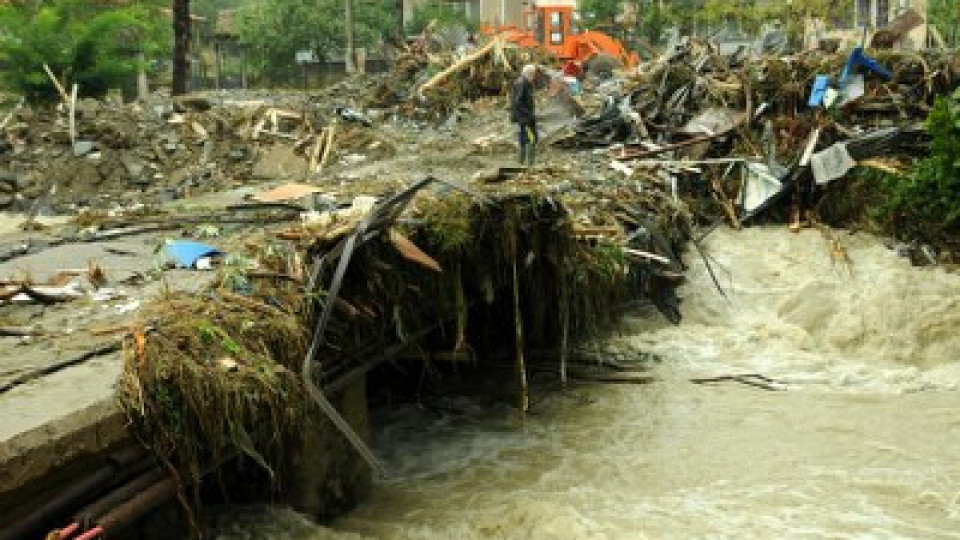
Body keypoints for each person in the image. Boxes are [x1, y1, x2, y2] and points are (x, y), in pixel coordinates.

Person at [511, 64, 538, 167]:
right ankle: (530, 165)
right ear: (529, 74)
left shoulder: (524, 82)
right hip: (525, 118)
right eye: (533, 74)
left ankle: (520, 163)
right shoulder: (522, 83)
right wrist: (530, 115)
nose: (534, 76)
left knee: (523, 138)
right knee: (532, 139)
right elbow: (518, 103)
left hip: (523, 117)